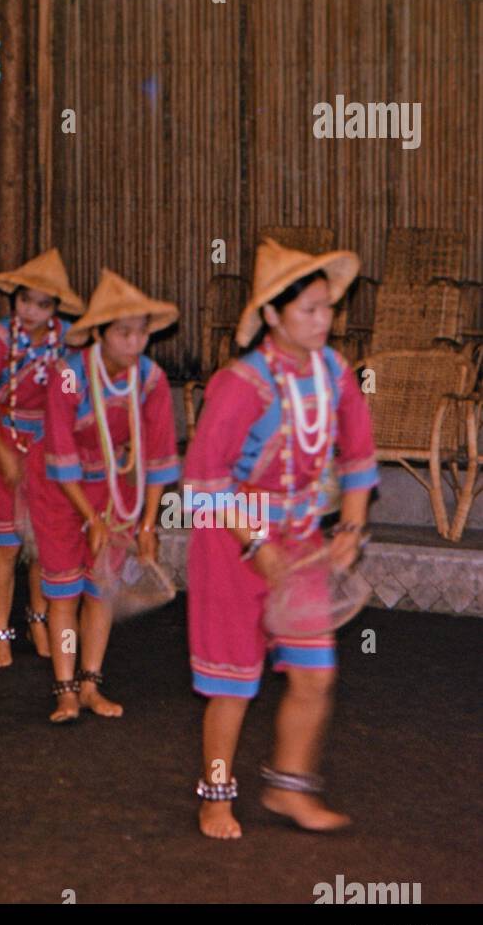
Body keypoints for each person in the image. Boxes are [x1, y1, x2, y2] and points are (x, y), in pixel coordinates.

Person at [185, 239, 377, 839]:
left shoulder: (336, 372)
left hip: (301, 540)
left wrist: (348, 525)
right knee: (233, 681)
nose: (324, 321)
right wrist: (254, 543)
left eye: (326, 309)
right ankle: (216, 797)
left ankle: (288, 789)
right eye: (309, 311)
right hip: (231, 538)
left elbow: (360, 455)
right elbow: (200, 483)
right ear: (272, 315)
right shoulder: (242, 384)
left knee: (316, 674)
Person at [34, 270, 180, 723]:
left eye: (141, 333)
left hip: (117, 488)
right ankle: (64, 689)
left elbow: (158, 454)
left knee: (101, 590)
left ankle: (91, 683)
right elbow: (60, 450)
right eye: (123, 333)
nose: (134, 343)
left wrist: (148, 523)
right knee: (64, 593)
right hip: (61, 489)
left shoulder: (151, 379)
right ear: (98, 333)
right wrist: (90, 518)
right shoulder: (70, 377)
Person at [0, 249, 83, 666]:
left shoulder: (68, 339)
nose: (31, 311)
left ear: (55, 309)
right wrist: (3, 454)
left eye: (43, 304)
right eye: (24, 300)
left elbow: (77, 392)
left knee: (44, 542)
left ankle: (39, 621)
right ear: (13, 299)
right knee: (8, 544)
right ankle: (0, 636)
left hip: (46, 443)